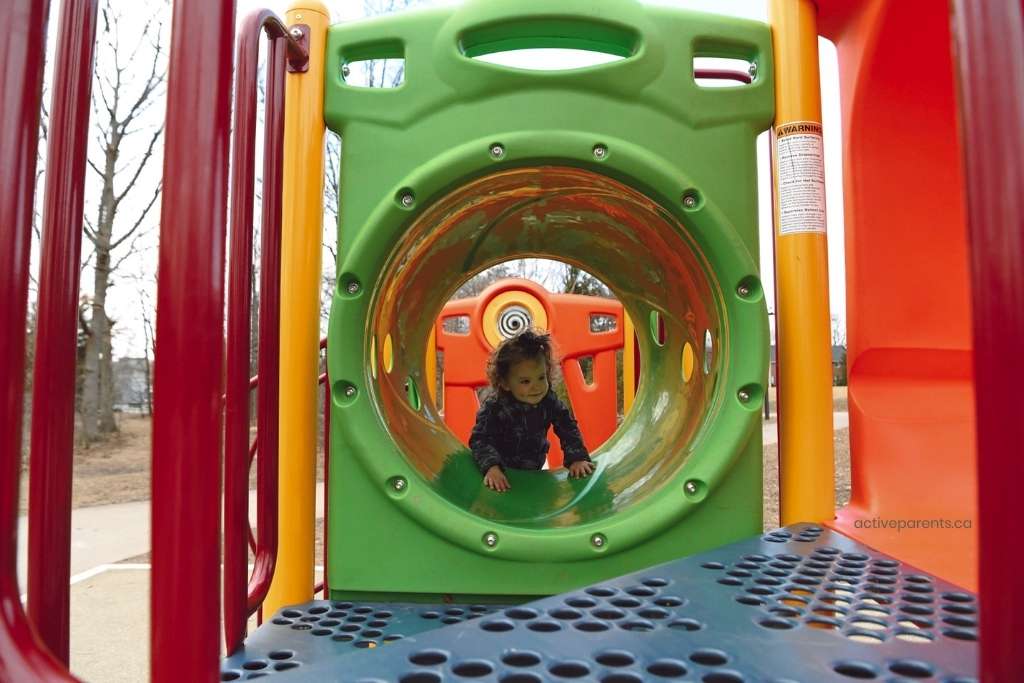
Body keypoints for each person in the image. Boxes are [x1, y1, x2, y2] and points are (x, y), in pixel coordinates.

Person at [469, 328, 595, 492]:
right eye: (525, 381)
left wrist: (576, 458)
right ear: (505, 383)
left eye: (541, 377)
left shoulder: (548, 401)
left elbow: (567, 426)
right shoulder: (495, 407)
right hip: (501, 473)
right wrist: (491, 467)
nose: (536, 386)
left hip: (533, 471)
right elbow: (480, 439)